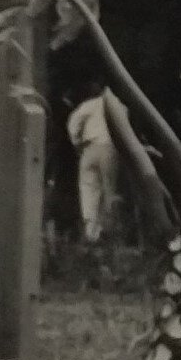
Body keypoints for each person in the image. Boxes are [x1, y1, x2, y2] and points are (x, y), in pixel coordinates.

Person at [70, 90, 122, 245]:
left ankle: (91, 233)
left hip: (89, 147)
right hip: (109, 148)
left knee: (88, 188)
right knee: (108, 189)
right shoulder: (120, 106)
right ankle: (107, 233)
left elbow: (73, 123)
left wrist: (77, 142)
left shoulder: (89, 104)